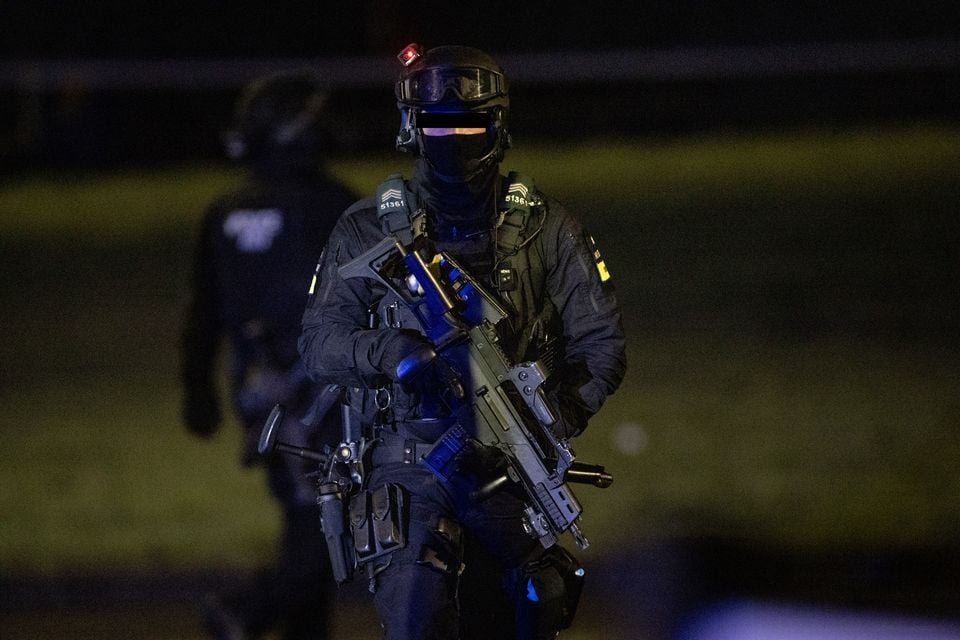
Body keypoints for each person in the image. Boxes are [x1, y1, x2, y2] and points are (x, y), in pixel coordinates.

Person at [298, 44, 626, 639]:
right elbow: (320, 343)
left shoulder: (548, 230)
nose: (455, 138)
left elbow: (600, 342)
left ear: (499, 126)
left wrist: (554, 417)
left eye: (471, 123)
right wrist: (393, 354)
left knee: (533, 602)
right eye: (439, 124)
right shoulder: (367, 228)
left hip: (506, 464)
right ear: (410, 127)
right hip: (409, 461)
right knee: (418, 611)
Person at [180, 69, 358, 640]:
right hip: (328, 403)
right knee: (345, 531)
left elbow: (202, 317)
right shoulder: (339, 209)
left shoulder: (224, 214)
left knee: (311, 525)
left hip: (263, 397)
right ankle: (245, 611)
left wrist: (200, 394)